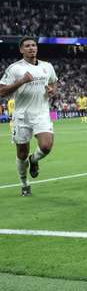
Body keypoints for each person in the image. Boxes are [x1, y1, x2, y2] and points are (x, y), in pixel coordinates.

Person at [0, 37, 58, 197]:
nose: (31, 48)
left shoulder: (47, 66)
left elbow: (54, 83)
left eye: (33, 45)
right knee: (21, 154)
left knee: (46, 146)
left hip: (41, 114)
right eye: (27, 46)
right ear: (21, 50)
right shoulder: (15, 69)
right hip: (21, 116)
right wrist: (21, 81)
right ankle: (24, 184)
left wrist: (53, 90)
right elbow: (2, 91)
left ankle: (34, 160)